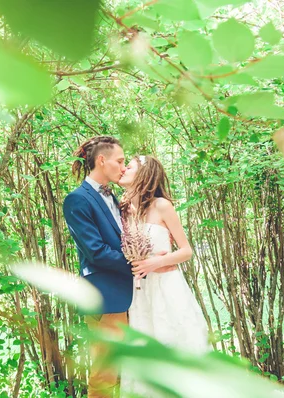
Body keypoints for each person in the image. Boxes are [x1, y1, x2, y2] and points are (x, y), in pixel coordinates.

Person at [118, 155, 209, 397]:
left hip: (167, 287)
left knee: (174, 342)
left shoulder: (162, 206)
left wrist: (157, 261)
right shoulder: (122, 208)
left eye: (129, 166)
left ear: (144, 175)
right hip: (140, 292)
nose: (123, 169)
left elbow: (186, 251)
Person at [63, 136, 130, 398]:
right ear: (102, 161)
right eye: (120, 161)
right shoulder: (77, 199)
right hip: (105, 296)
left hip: (128, 294)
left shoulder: (115, 197)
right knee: (105, 372)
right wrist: (136, 265)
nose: (123, 167)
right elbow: (96, 251)